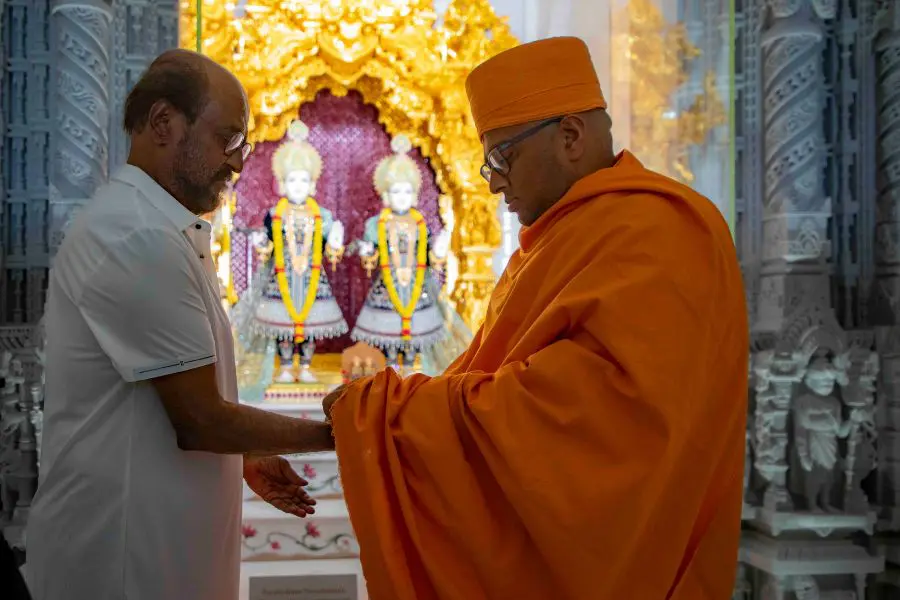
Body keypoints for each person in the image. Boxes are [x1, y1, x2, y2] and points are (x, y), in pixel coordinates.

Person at [322, 37, 748, 599]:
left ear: (570, 136)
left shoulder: (662, 230)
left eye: (502, 158)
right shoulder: (556, 241)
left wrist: (391, 409)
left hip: (631, 562)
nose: (494, 181)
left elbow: (584, 421)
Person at [26, 50, 333, 600]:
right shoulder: (134, 234)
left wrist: (247, 454)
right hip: (123, 561)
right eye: (228, 139)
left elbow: (177, 403)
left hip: (162, 550)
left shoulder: (163, 229)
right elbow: (197, 420)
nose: (238, 164)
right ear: (165, 123)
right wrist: (344, 432)